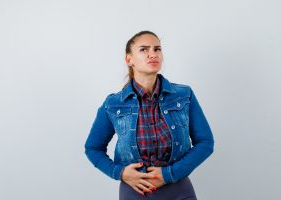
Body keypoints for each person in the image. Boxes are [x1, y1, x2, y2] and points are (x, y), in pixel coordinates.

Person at [84, 30, 214, 200]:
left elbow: (205, 142)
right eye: (144, 50)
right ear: (129, 59)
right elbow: (92, 148)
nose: (153, 54)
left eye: (157, 49)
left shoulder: (184, 95)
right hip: (136, 193)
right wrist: (120, 173)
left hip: (179, 191)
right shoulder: (113, 103)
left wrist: (170, 174)